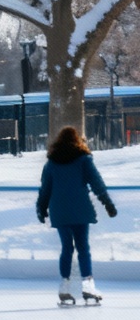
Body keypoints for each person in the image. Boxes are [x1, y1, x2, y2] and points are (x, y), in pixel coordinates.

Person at [38, 125, 116, 306]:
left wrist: (41, 208)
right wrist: (107, 202)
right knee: (83, 248)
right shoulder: (83, 160)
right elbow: (96, 183)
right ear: (77, 140)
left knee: (67, 247)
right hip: (80, 208)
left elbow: (45, 189)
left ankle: (64, 287)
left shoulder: (51, 163)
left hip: (60, 210)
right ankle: (88, 286)